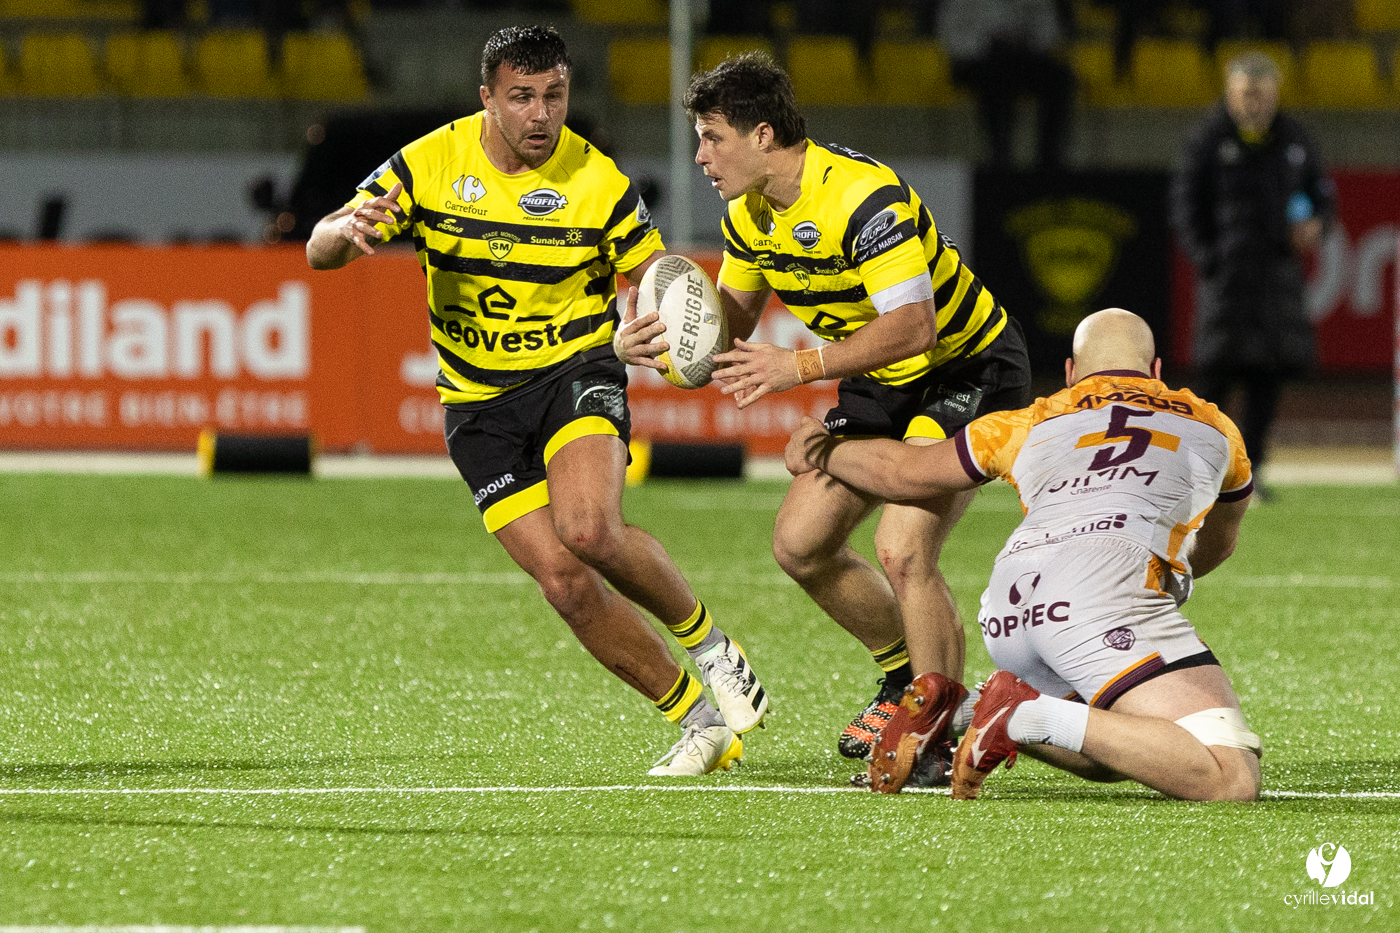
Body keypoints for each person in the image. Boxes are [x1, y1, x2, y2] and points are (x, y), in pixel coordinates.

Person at [305, 25, 768, 777]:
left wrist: (641, 332)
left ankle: (713, 645)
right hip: (477, 408)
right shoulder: (428, 164)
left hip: (575, 373)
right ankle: (701, 720)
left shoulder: (599, 181)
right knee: (564, 582)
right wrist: (343, 229)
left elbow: (662, 286)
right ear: (487, 98)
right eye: (521, 97)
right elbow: (318, 250)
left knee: (589, 528)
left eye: (554, 95)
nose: (541, 114)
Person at [616, 52, 1031, 791]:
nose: (701, 156)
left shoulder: (863, 198)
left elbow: (914, 326)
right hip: (882, 383)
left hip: (964, 370)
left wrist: (799, 369)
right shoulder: (748, 214)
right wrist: (659, 346)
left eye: (712, 137)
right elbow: (727, 332)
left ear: (764, 133)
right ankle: (906, 678)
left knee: (903, 545)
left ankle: (934, 735)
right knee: (800, 543)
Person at [786, 309, 1261, 801]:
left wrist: (822, 449)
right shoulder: (1215, 424)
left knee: (1114, 747)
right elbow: (1219, 543)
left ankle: (961, 709)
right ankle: (1019, 712)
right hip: (1103, 586)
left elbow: (903, 472)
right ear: (1158, 371)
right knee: (1229, 777)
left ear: (1071, 371)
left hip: (1011, 602)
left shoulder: (1031, 418)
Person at [1170, 51, 1335, 500]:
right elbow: (1186, 206)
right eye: (1245, 94)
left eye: (1261, 94)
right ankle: (1198, 471)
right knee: (1215, 377)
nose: (1253, 103)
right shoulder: (1207, 140)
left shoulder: (1295, 139)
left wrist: (1318, 223)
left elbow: (1322, 196)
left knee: (1269, 375)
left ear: (1275, 94)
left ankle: (1251, 471)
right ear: (1230, 93)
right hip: (1227, 280)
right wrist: (1210, 260)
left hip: (1277, 280)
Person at [938, 0, 1076, 170]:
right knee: (996, 75)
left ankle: (1049, 157)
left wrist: (1026, 40)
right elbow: (950, 35)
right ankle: (1000, 156)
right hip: (976, 60)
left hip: (1022, 57)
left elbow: (1049, 31)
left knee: (1060, 76)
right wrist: (989, 43)